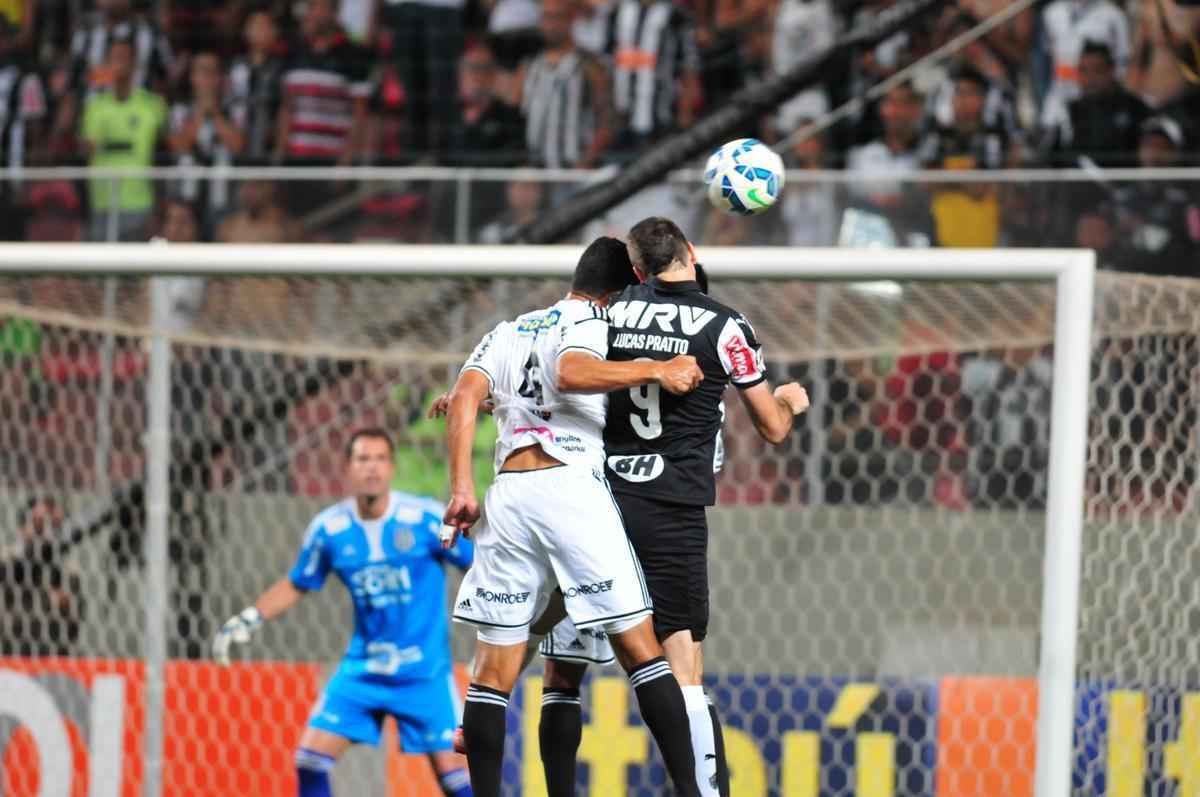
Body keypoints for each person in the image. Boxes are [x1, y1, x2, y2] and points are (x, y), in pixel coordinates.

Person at [442, 236, 707, 797]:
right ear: (615, 294)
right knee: (642, 650)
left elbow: (465, 397)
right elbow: (571, 372)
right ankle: (690, 790)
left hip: (509, 495)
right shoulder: (592, 320)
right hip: (570, 489)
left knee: (493, 675)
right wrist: (657, 369)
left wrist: (463, 487)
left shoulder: (509, 329)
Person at [599, 218, 808, 794]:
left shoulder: (610, 312)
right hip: (671, 505)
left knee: (564, 666)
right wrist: (790, 401)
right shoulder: (724, 324)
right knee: (683, 668)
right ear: (691, 253)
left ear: (638, 270)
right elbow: (770, 429)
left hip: (601, 503)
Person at [212, 428, 474, 797]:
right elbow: (298, 582)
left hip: (424, 673)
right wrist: (251, 617)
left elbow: (475, 565)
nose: (372, 468)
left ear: (391, 467)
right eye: (363, 459)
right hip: (363, 670)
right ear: (348, 468)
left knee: (457, 781)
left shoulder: (426, 519)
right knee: (310, 760)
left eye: (380, 459)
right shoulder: (329, 529)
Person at [79, 36, 168, 242]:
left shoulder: (153, 104)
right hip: (102, 201)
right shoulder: (95, 106)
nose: (120, 63)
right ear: (107, 63)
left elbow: (169, 148)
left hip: (139, 202)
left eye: (124, 58)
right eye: (115, 58)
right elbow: (86, 151)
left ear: (135, 64)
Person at [168, 50, 246, 231]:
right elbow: (179, 147)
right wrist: (201, 114)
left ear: (220, 79)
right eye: (202, 71)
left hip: (224, 201)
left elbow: (238, 146)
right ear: (193, 77)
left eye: (213, 72)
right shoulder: (179, 111)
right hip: (185, 201)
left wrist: (216, 114)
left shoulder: (234, 111)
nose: (208, 79)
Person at [0, 495, 84, 656]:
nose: (48, 532)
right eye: (40, 524)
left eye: (55, 526)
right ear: (24, 528)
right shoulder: (8, 563)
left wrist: (64, 603)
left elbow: (73, 628)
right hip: (13, 659)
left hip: (55, 659)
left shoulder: (67, 571)